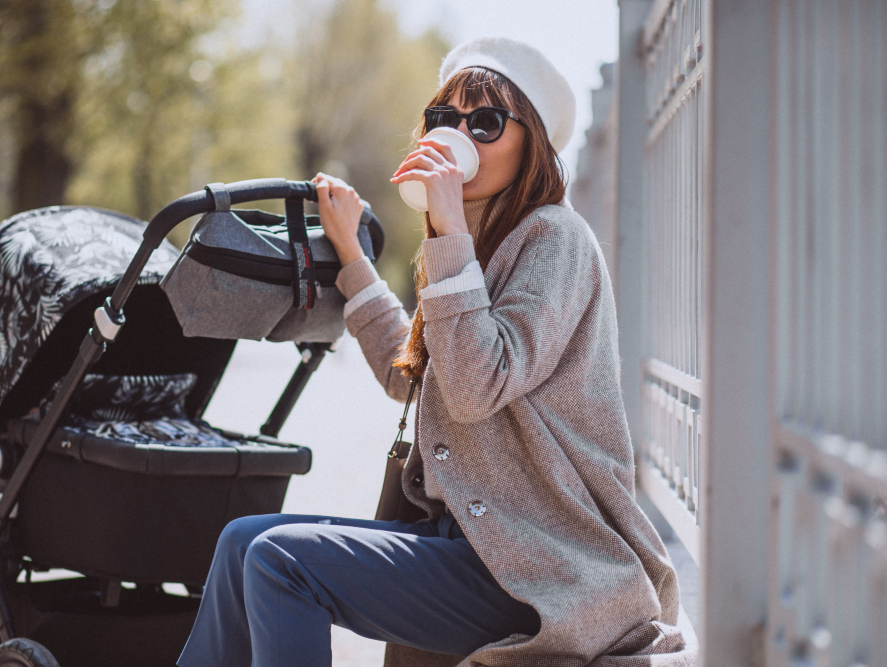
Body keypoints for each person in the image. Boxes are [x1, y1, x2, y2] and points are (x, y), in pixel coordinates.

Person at [178, 37, 692, 667]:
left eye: (486, 123)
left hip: (544, 570)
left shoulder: (555, 238)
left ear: (533, 144)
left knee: (281, 562)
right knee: (240, 543)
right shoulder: (477, 241)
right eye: (445, 120)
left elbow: (476, 387)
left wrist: (448, 233)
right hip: (469, 546)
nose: (461, 137)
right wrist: (356, 261)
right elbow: (415, 375)